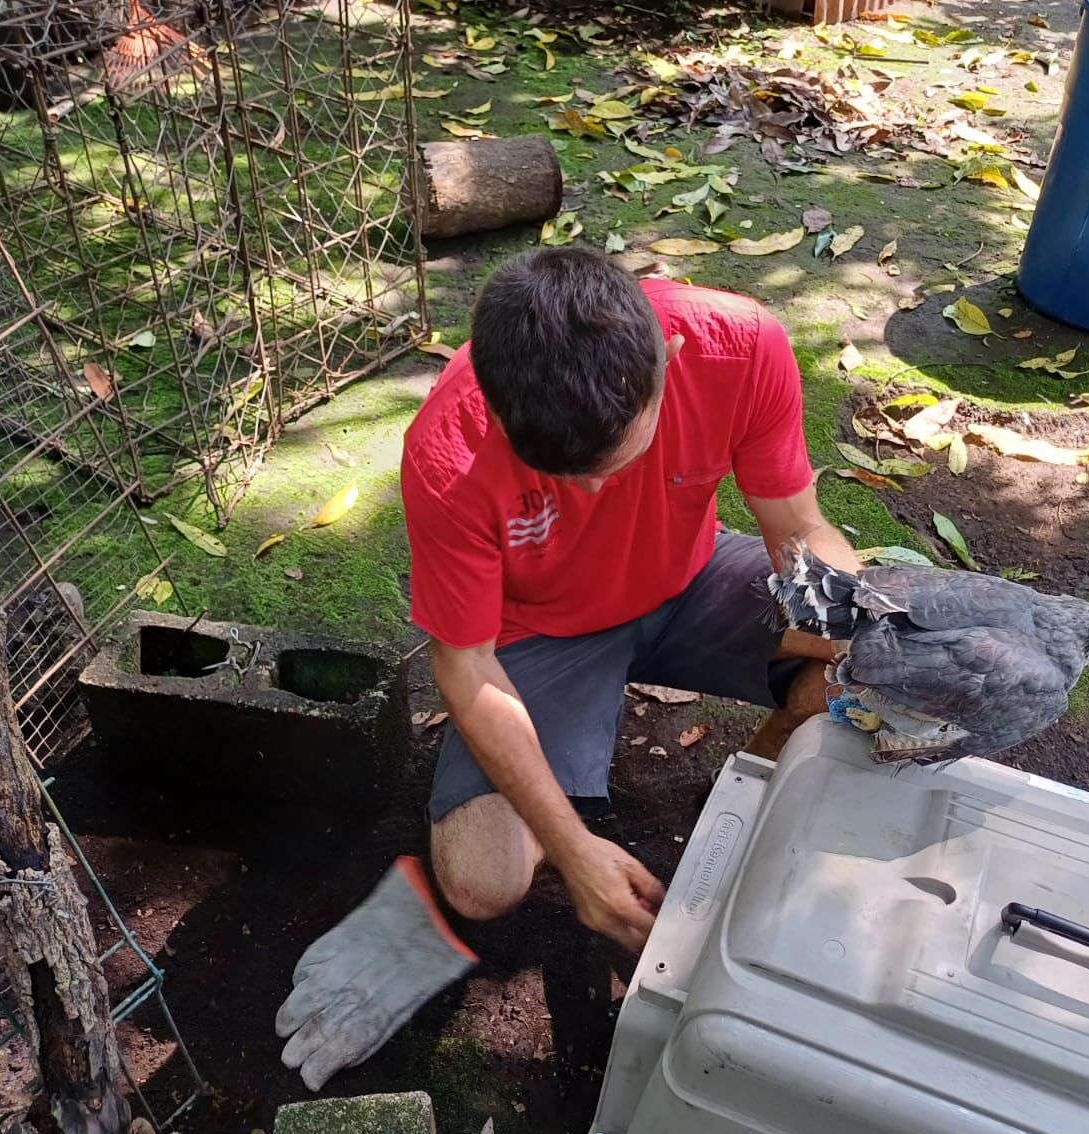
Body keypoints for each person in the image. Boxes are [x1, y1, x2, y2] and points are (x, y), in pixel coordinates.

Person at [275, 248, 859, 1090]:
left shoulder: (740, 344)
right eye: (564, 479)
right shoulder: (449, 449)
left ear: (667, 368)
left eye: (612, 464)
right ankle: (439, 881)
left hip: (691, 579)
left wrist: (846, 616)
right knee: (483, 883)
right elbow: (469, 669)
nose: (587, 499)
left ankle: (754, 785)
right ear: (500, 407)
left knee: (863, 667)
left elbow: (797, 528)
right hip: (542, 634)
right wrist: (574, 848)